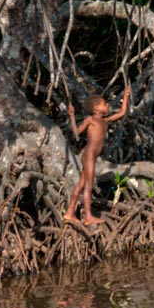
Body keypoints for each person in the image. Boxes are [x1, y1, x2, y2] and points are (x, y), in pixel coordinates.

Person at [64, 85, 131, 226]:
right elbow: (76, 133)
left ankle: (69, 213)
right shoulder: (91, 120)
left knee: (81, 184)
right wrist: (71, 116)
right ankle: (88, 217)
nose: (107, 106)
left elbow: (122, 112)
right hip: (88, 154)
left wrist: (125, 96)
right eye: (104, 104)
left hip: (93, 156)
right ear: (96, 109)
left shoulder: (105, 120)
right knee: (88, 186)